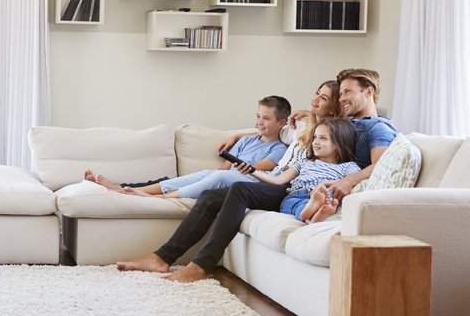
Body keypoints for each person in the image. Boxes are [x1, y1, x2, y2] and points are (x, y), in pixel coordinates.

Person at [116, 68, 397, 283]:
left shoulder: (376, 128)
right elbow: (287, 130)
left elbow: (379, 165)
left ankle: (201, 265)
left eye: (347, 93)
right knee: (214, 195)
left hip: (302, 187)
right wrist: (244, 132)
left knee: (237, 187)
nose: (344, 98)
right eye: (342, 94)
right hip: (291, 180)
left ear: (369, 92)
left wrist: (347, 181)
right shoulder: (342, 122)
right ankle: (161, 257)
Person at [84, 96, 291, 199]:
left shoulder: (280, 149)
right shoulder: (246, 140)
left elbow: (255, 169)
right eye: (258, 116)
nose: (259, 122)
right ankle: (125, 190)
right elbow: (226, 167)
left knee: (218, 177)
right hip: (228, 175)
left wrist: (222, 173)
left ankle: (161, 199)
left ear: (282, 123)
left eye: (266, 118)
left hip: (247, 183)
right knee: (207, 174)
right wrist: (216, 170)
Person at [249, 117, 359, 223]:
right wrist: (252, 171)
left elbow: (352, 180)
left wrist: (324, 185)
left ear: (339, 143)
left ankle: (313, 212)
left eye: (323, 138)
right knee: (287, 204)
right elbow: (278, 180)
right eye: (315, 137)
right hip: (296, 194)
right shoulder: (305, 162)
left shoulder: (347, 166)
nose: (315, 142)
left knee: (328, 195)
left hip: (322, 193)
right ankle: (313, 215)